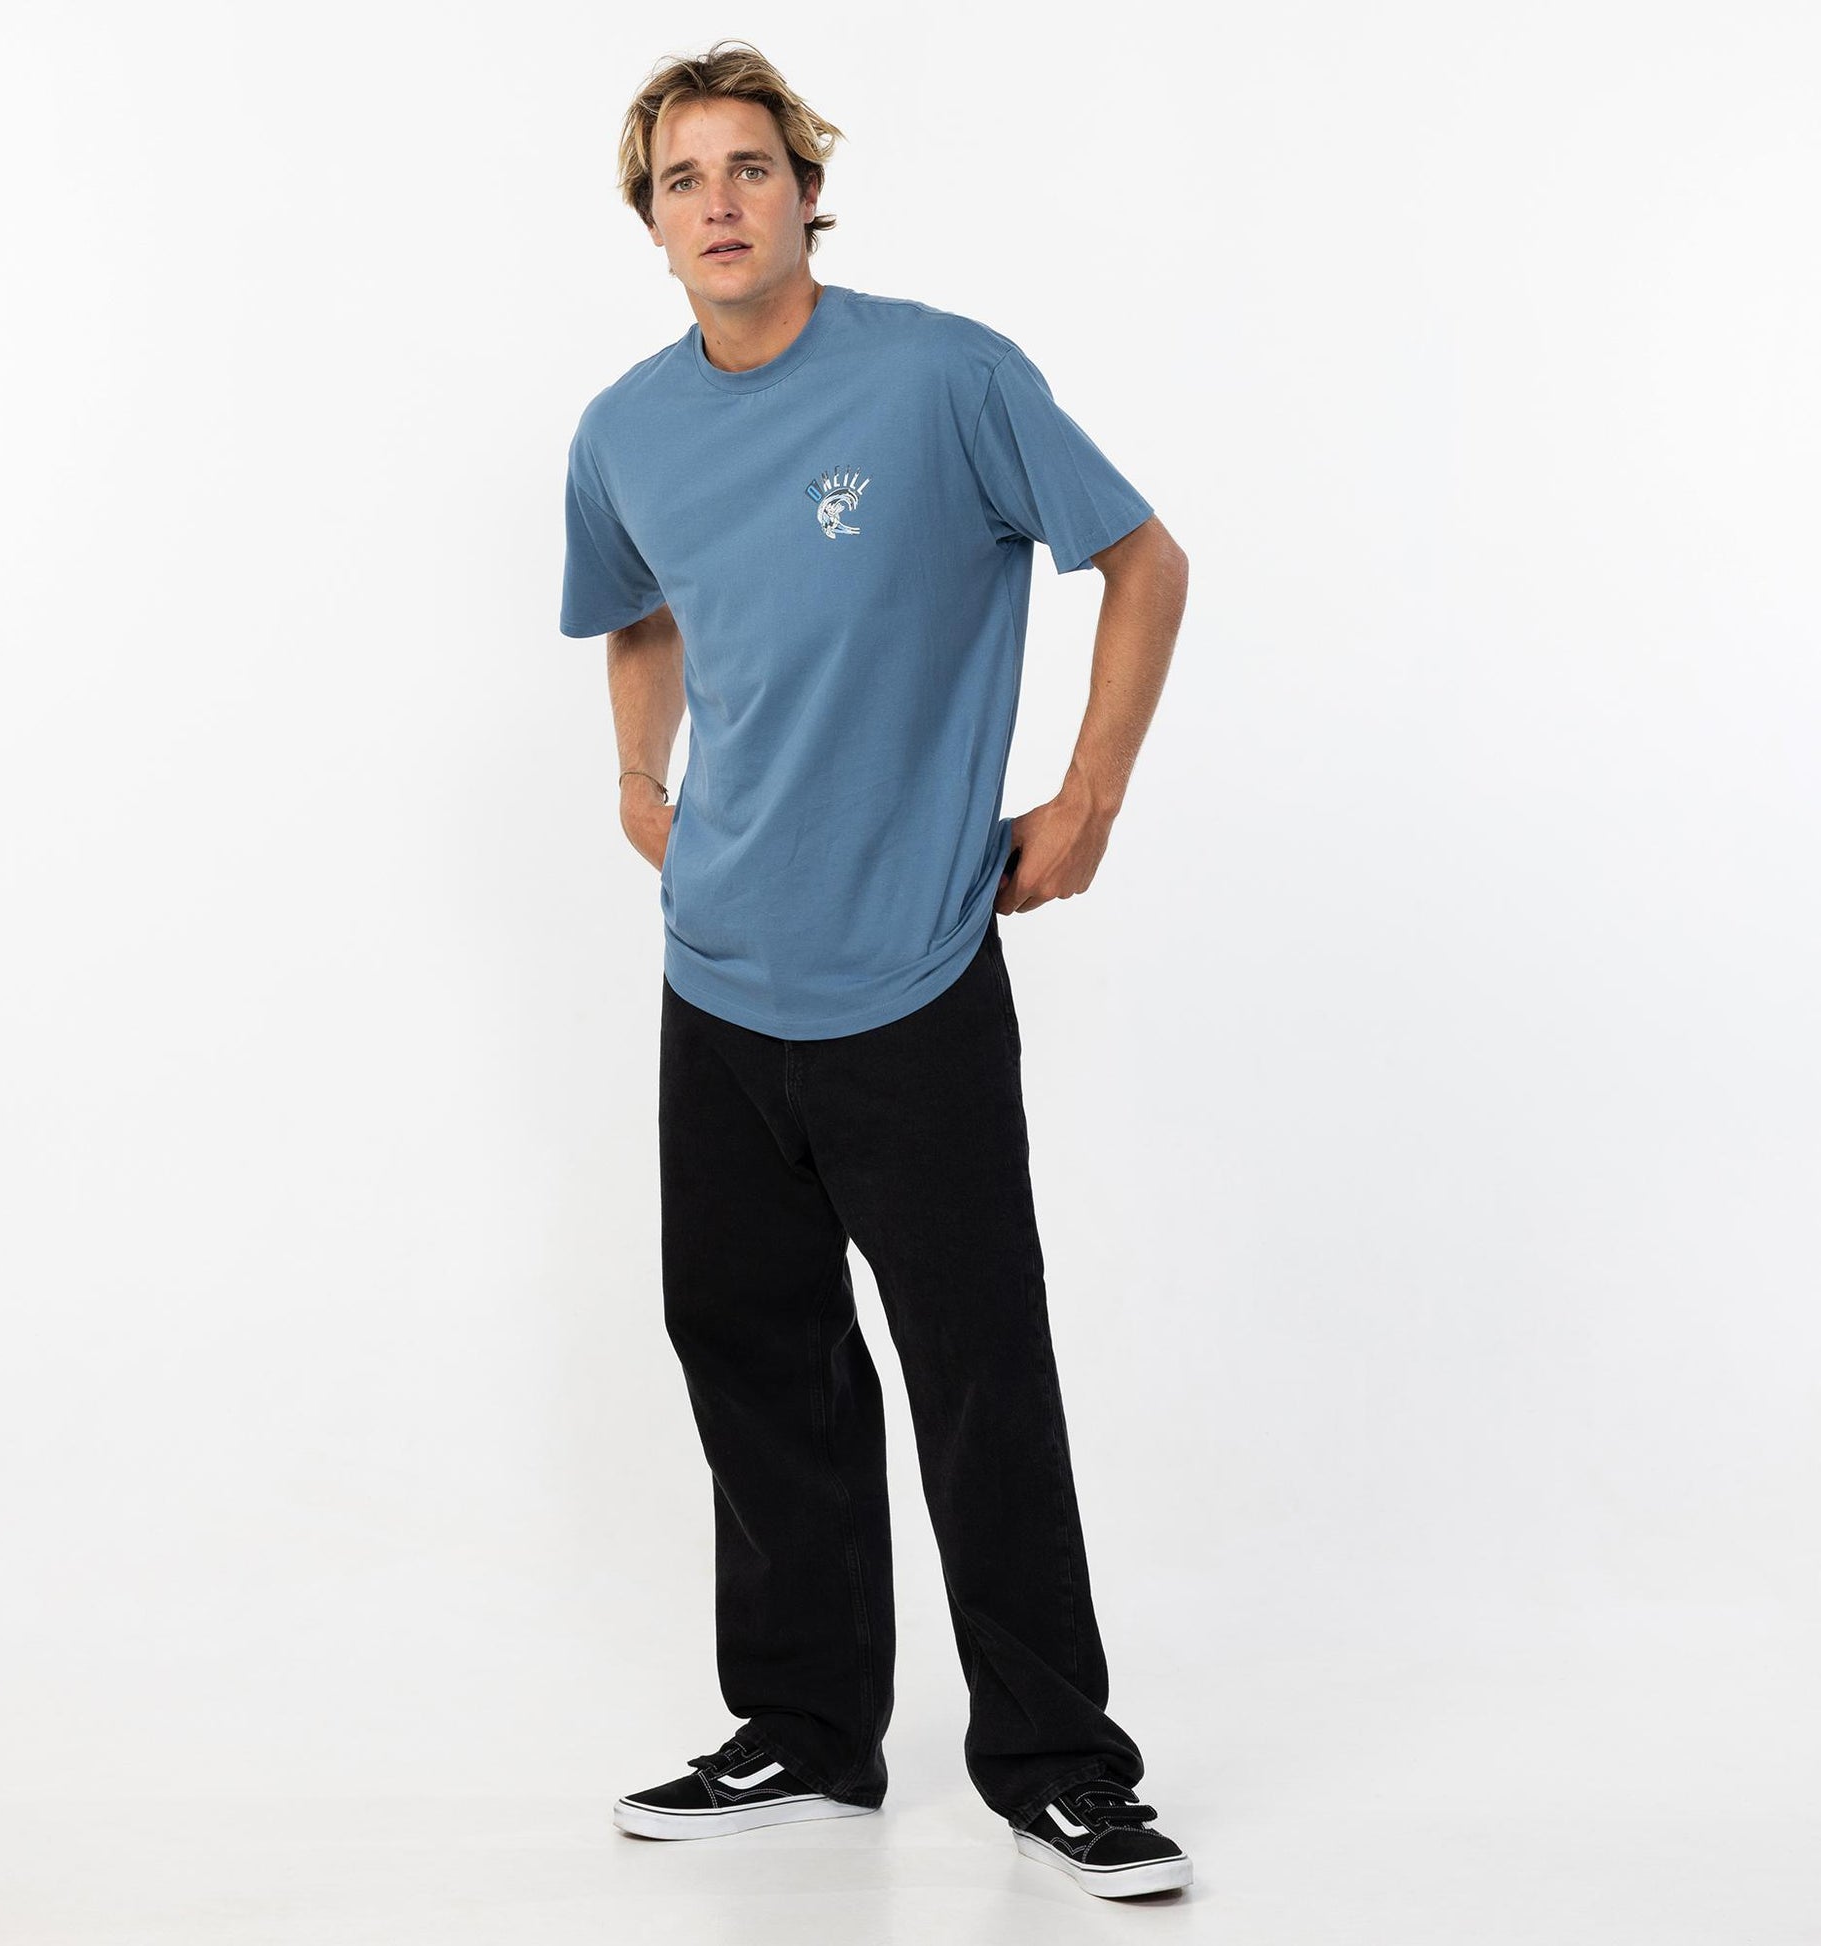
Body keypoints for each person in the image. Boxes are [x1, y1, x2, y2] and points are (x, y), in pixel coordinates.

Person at [558, 40, 1192, 1900]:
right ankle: (810, 1733)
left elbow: (1142, 558)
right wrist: (637, 779)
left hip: (910, 970)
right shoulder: (622, 430)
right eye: (684, 178)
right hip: (715, 978)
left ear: (808, 192)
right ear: (649, 219)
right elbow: (638, 611)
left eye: (751, 166)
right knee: (754, 1362)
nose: (721, 201)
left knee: (977, 1372)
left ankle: (1057, 1763)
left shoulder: (943, 379)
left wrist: (1088, 795)